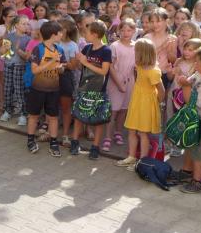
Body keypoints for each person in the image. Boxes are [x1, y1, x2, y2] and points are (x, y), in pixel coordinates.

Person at [116, 38, 164, 169]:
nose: (134, 52)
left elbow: (161, 91)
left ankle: (142, 161)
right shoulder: (139, 66)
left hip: (147, 104)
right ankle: (131, 157)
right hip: (137, 101)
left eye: (136, 50)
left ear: (142, 53)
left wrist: (158, 104)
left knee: (143, 133)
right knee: (132, 130)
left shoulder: (154, 71)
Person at [68, 20, 112, 159]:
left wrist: (85, 62)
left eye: (87, 32)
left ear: (95, 34)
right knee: (78, 116)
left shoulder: (106, 51)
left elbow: (104, 71)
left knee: (98, 119)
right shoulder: (87, 48)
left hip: (99, 91)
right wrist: (77, 61)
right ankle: (75, 142)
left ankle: (95, 147)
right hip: (84, 88)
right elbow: (80, 67)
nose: (84, 34)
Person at [175, 46, 201, 193]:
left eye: (197, 62)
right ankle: (187, 172)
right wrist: (185, 81)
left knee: (198, 152)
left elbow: (192, 103)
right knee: (189, 146)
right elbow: (190, 80)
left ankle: (197, 182)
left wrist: (185, 86)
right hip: (194, 120)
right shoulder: (200, 73)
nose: (195, 64)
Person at [25, 21, 67, 155]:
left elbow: (62, 68)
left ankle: (53, 142)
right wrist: (51, 61)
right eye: (60, 33)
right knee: (34, 115)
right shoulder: (38, 49)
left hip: (53, 90)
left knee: (53, 117)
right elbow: (34, 70)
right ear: (53, 35)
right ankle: (30, 140)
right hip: (37, 89)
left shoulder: (60, 49)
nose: (62, 35)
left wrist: (60, 68)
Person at [104, 19, 137, 151]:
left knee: (124, 110)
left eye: (129, 30)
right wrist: (118, 84)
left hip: (130, 82)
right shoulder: (115, 46)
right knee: (113, 110)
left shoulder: (136, 46)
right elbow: (110, 67)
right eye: (123, 30)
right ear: (119, 31)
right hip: (115, 82)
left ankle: (118, 132)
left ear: (134, 31)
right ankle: (107, 137)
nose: (126, 33)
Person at [1, 15, 31, 126]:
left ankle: (23, 113)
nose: (26, 26)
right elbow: (4, 53)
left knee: (19, 90)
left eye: (27, 24)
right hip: (9, 65)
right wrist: (5, 49)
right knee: (8, 88)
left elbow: (27, 57)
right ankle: (8, 110)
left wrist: (18, 50)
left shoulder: (28, 39)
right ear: (17, 25)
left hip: (20, 66)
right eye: (24, 24)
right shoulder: (9, 36)